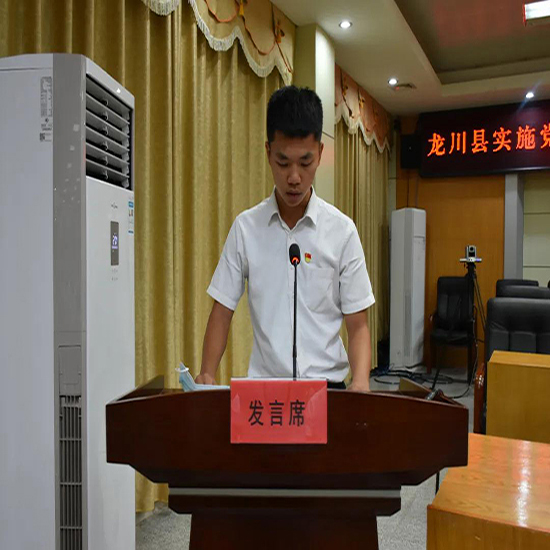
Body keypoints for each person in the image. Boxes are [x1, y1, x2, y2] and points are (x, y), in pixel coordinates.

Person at [195, 86, 374, 391]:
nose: (294, 177)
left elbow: (357, 325)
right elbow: (222, 311)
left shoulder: (342, 232)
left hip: (328, 390)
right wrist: (206, 374)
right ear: (268, 153)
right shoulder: (246, 229)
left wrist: (360, 382)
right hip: (266, 394)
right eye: (283, 162)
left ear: (320, 153)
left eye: (305, 163)